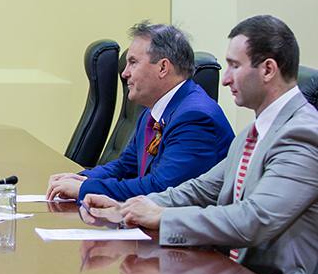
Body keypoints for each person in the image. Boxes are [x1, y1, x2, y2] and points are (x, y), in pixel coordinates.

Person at [85, 15, 318, 274]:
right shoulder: (255, 132)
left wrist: (162, 218)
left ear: (267, 70)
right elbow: (201, 189)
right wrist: (127, 209)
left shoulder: (302, 133)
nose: (225, 79)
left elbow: (254, 219)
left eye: (234, 66)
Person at [48, 22, 233, 202]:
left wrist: (85, 189)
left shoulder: (195, 118)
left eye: (133, 63)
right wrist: (83, 178)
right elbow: (126, 166)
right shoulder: (153, 111)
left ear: (163, 68)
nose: (124, 73)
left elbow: (160, 189)